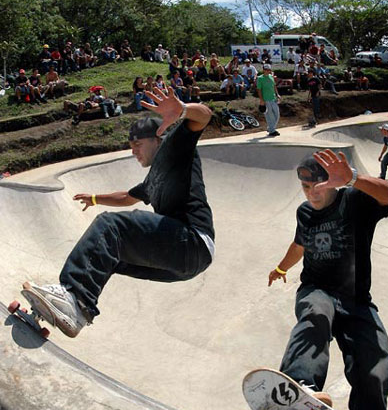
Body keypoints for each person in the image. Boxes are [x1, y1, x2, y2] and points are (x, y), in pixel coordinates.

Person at [21, 87, 215, 338]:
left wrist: (183, 111)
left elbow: (205, 116)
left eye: (137, 145)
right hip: (182, 264)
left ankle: (74, 298)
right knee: (110, 256)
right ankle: (77, 311)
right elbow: (126, 198)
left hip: (193, 240)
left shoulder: (176, 145)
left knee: (110, 227)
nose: (133, 152)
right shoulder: (152, 181)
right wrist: (93, 198)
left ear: (157, 138)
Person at [267, 150, 388, 410]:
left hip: (356, 299)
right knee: (316, 315)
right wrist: (280, 268)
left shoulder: (354, 200)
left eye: (318, 185)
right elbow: (299, 244)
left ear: (332, 182)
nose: (312, 193)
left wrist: (353, 178)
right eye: (305, 187)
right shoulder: (304, 212)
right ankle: (300, 386)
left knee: (375, 358)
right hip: (317, 289)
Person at [256, 64, 281, 137]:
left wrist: (277, 94)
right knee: (269, 116)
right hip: (266, 99)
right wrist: (261, 100)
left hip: (273, 98)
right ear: (263, 70)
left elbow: (274, 86)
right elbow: (259, 90)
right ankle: (272, 130)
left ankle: (270, 128)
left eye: (269, 70)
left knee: (277, 114)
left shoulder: (271, 77)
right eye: (266, 70)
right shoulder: (260, 78)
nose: (268, 71)